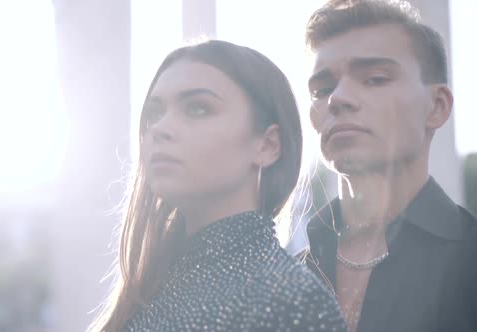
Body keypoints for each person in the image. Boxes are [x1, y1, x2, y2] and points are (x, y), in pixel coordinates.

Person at [88, 40, 347, 332]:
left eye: (197, 109)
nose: (160, 129)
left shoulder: (292, 302)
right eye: (154, 114)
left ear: (267, 145)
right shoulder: (149, 290)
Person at [303, 1, 477, 331]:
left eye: (375, 79)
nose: (337, 98)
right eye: (322, 89)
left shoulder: (470, 264)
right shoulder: (286, 275)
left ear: (436, 106)